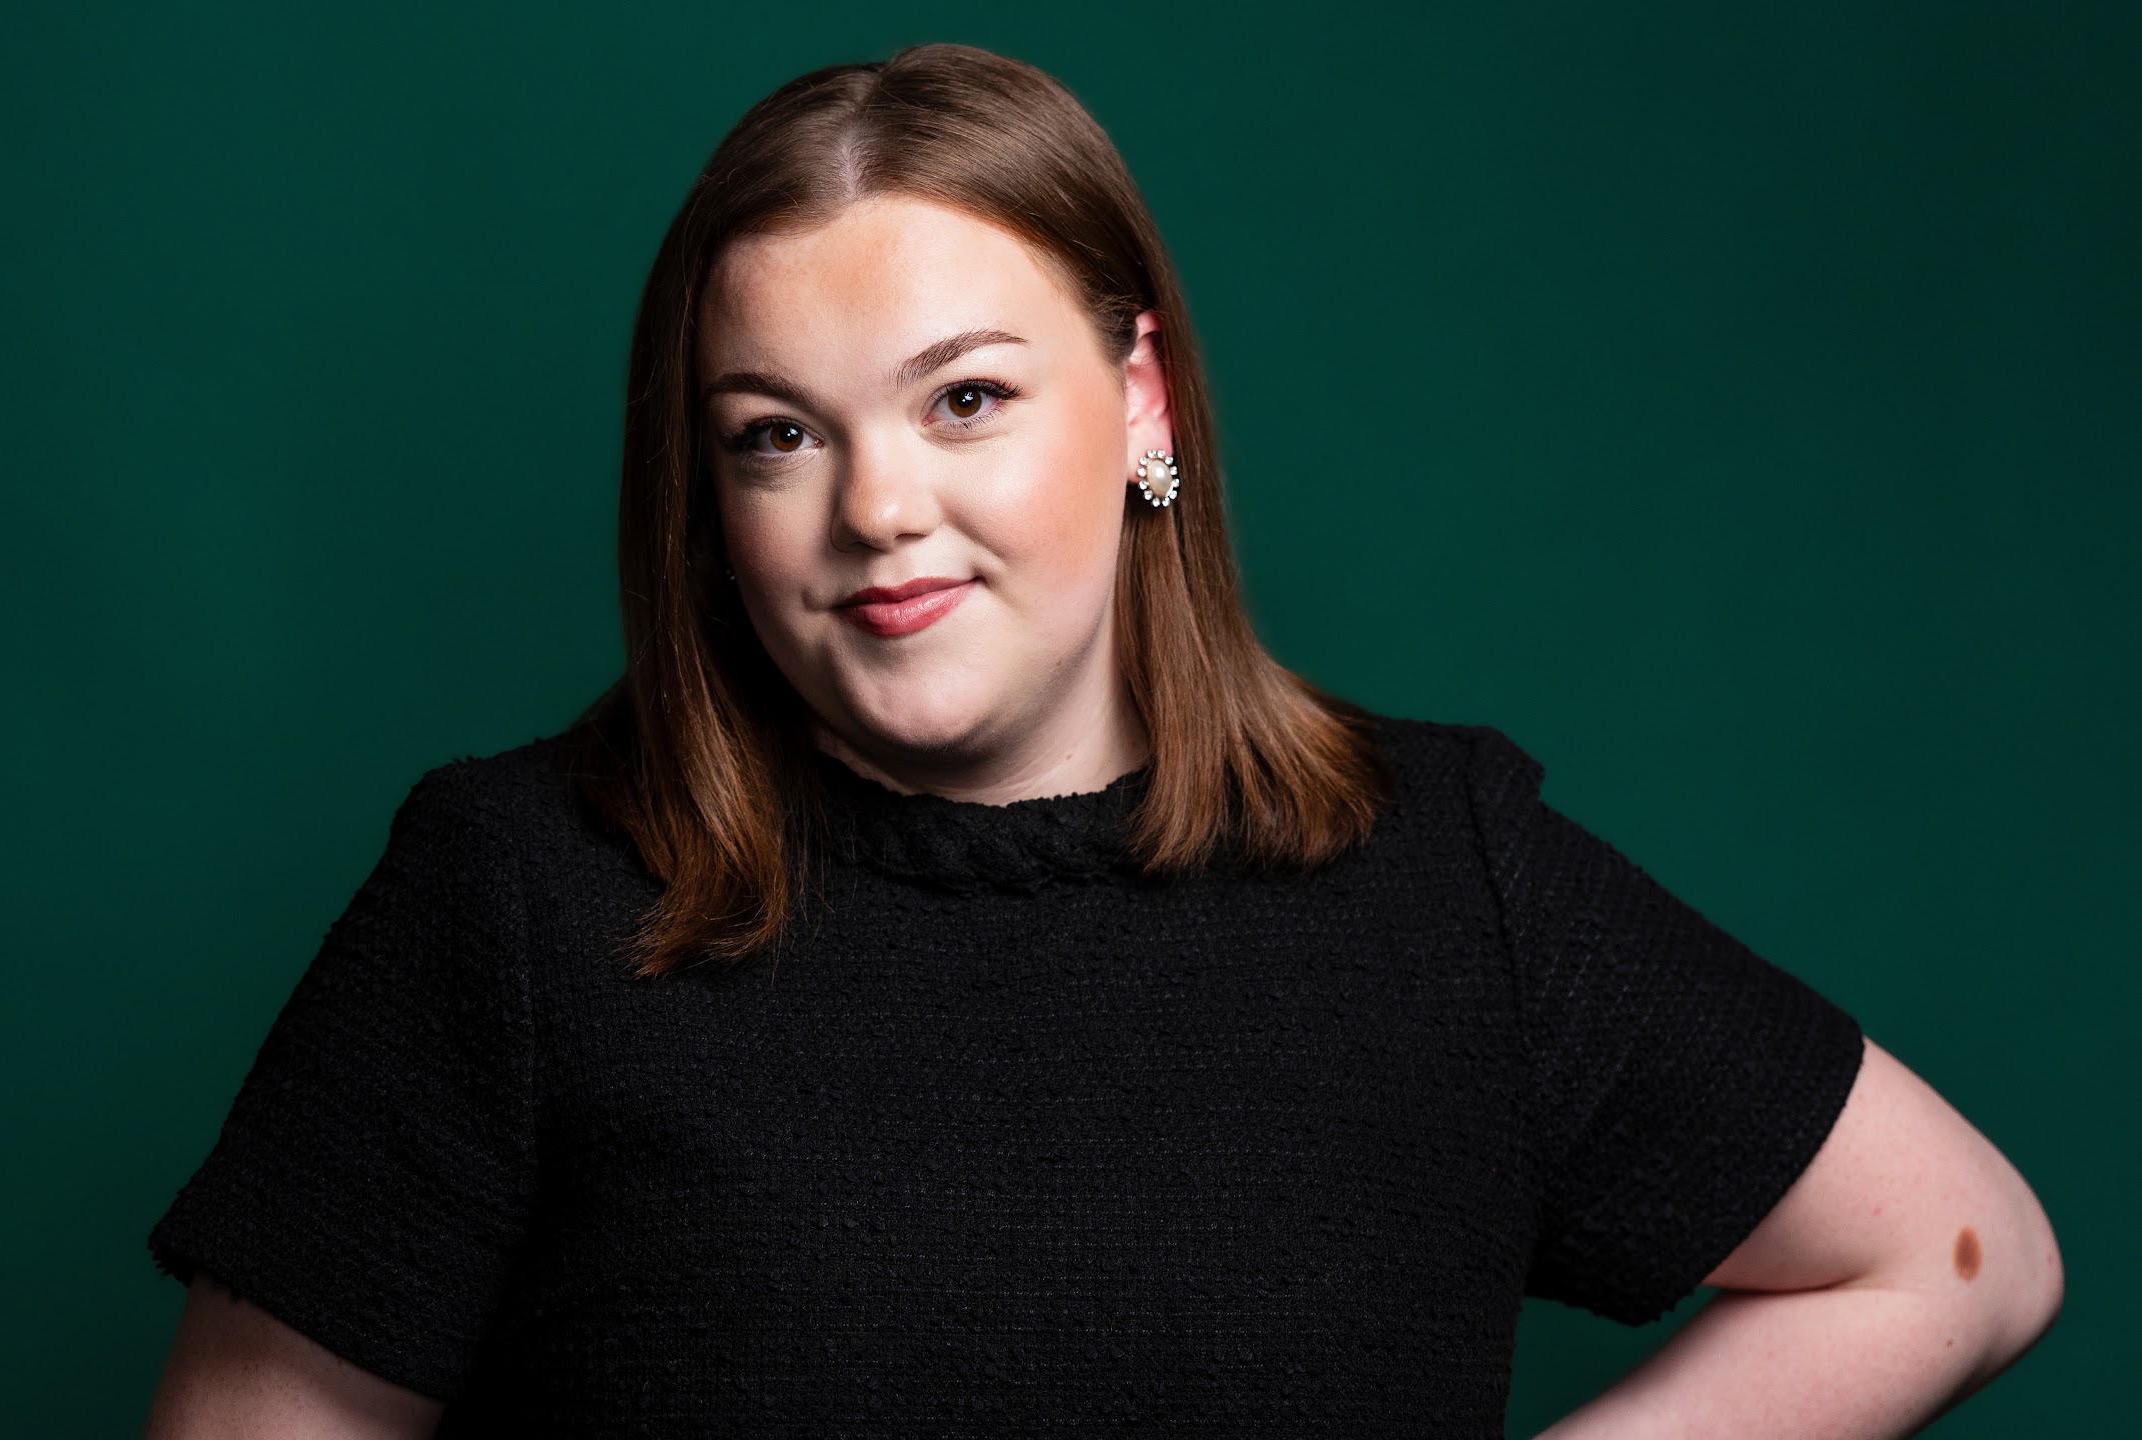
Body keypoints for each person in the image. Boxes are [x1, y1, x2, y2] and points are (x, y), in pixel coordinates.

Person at [142, 41, 2062, 1438]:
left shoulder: (1442, 872)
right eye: (775, 433)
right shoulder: (521, 893)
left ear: (1138, 399)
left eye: (964, 398)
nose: (875, 508)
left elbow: (1960, 1256)